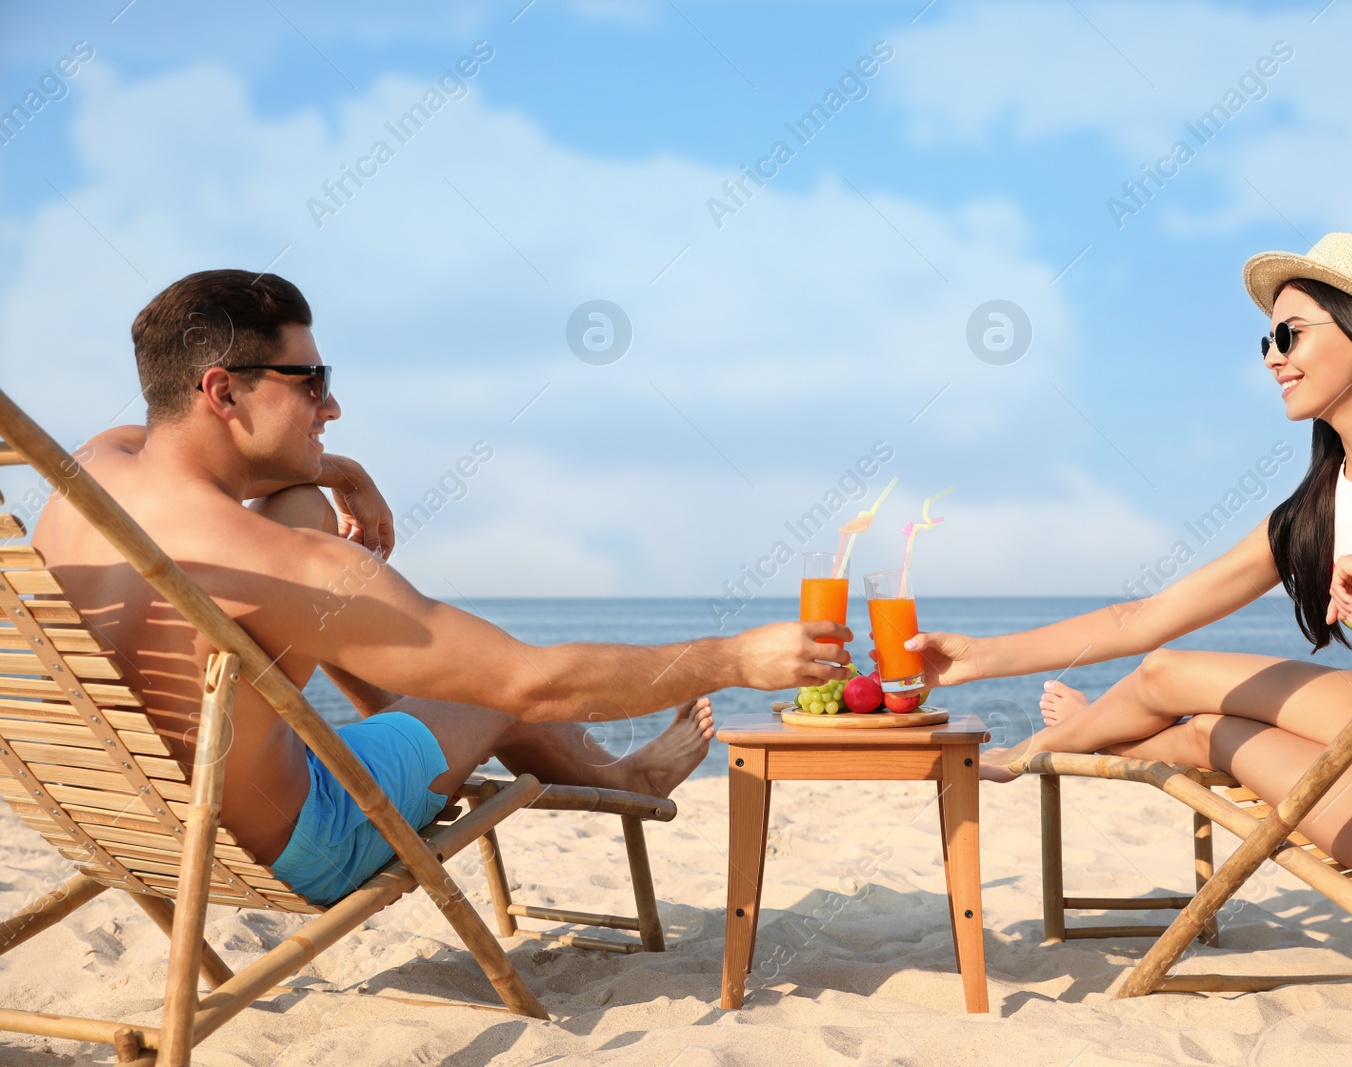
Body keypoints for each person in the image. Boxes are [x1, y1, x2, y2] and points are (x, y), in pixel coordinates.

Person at [32, 269, 852, 905]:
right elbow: (534, 678)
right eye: (309, 382)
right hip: (292, 840)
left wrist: (334, 472)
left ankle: (402, 705)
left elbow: (201, 477)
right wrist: (735, 655)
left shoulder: (91, 466)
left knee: (303, 502)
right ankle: (628, 778)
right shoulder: (284, 567)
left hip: (122, 822)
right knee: (493, 688)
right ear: (223, 390)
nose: (335, 405)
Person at [905, 233, 1352, 884]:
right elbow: (1143, 617)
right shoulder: (1312, 512)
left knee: (1211, 733)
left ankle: (1055, 746)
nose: (1272, 356)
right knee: (1164, 670)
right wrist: (978, 656)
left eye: (1290, 333)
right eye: (1267, 338)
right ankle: (1069, 739)